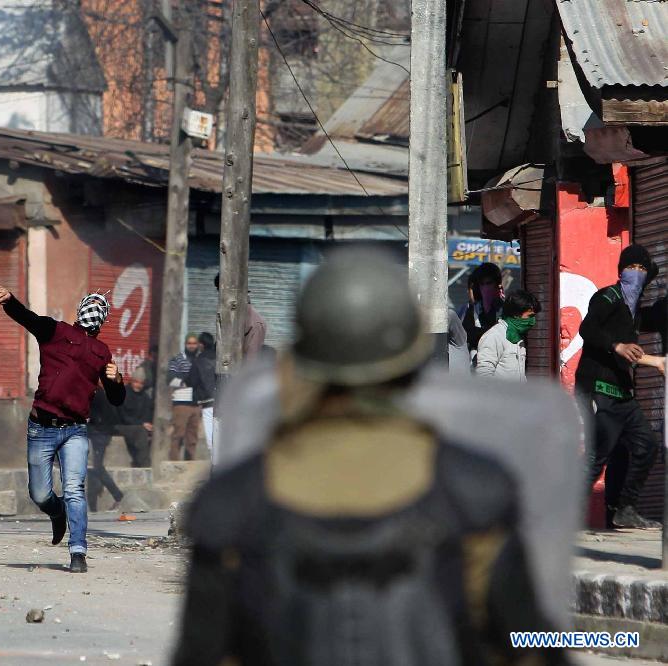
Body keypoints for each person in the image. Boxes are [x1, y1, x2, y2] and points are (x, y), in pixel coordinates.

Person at [174, 247, 563, 666]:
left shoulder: (231, 501)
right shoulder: (476, 490)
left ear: (301, 361)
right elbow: (529, 643)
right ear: (414, 361)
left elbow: (202, 652)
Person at [0, 286, 126, 573]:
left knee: (75, 489)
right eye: (90, 306)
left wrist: (117, 380)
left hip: (75, 430)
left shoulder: (102, 353)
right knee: (40, 495)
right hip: (41, 426)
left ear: (102, 319)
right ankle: (58, 512)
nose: (94, 312)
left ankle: (78, 551)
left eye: (98, 308)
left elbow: (117, 399)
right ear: (80, 311)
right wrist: (10, 301)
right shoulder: (55, 331)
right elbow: (27, 317)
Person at [576, 244, 667, 529]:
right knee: (597, 456)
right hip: (598, 388)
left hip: (623, 395)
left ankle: (624, 509)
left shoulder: (634, 312)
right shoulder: (608, 296)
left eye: (642, 270)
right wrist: (616, 345)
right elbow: (587, 329)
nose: (637, 275)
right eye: (632, 268)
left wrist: (657, 362)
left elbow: (632, 354)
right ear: (620, 271)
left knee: (646, 446)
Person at [475, 290, 541, 381]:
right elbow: (484, 374)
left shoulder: (518, 337)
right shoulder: (494, 336)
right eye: (530, 316)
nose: (533, 321)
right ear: (516, 315)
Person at [87, 386, 124, 512]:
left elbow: (105, 415)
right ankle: (92, 507)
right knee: (92, 469)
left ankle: (117, 495)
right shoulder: (95, 393)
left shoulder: (100, 394)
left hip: (99, 434)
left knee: (96, 467)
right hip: (94, 434)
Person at [214, 272, 267, 358]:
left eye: (224, 291)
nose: (221, 296)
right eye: (219, 291)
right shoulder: (227, 318)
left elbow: (250, 365)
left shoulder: (255, 324)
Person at [168, 334, 201, 461]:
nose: (192, 346)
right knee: (178, 435)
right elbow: (170, 379)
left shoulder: (200, 359)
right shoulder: (178, 359)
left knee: (192, 437)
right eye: (189, 343)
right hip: (181, 403)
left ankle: (189, 463)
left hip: (196, 404)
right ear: (185, 344)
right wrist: (184, 383)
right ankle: (173, 463)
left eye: (194, 343)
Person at [459, 262, 503, 354]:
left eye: (489, 283)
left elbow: (502, 335)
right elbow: (468, 335)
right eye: (482, 284)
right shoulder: (473, 309)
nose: (485, 288)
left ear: (496, 285)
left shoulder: (505, 307)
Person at [115, 366, 154, 467]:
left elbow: (147, 414)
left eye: (141, 383)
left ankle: (138, 462)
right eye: (136, 382)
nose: (138, 385)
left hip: (138, 426)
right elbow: (123, 416)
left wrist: (148, 425)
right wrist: (141, 424)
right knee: (140, 432)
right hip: (121, 425)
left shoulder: (145, 397)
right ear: (132, 381)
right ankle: (145, 466)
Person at [187, 332, 217, 455]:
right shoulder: (221, 359)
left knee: (211, 438)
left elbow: (192, 381)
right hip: (223, 402)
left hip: (208, 403)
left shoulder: (198, 361)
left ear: (202, 345)